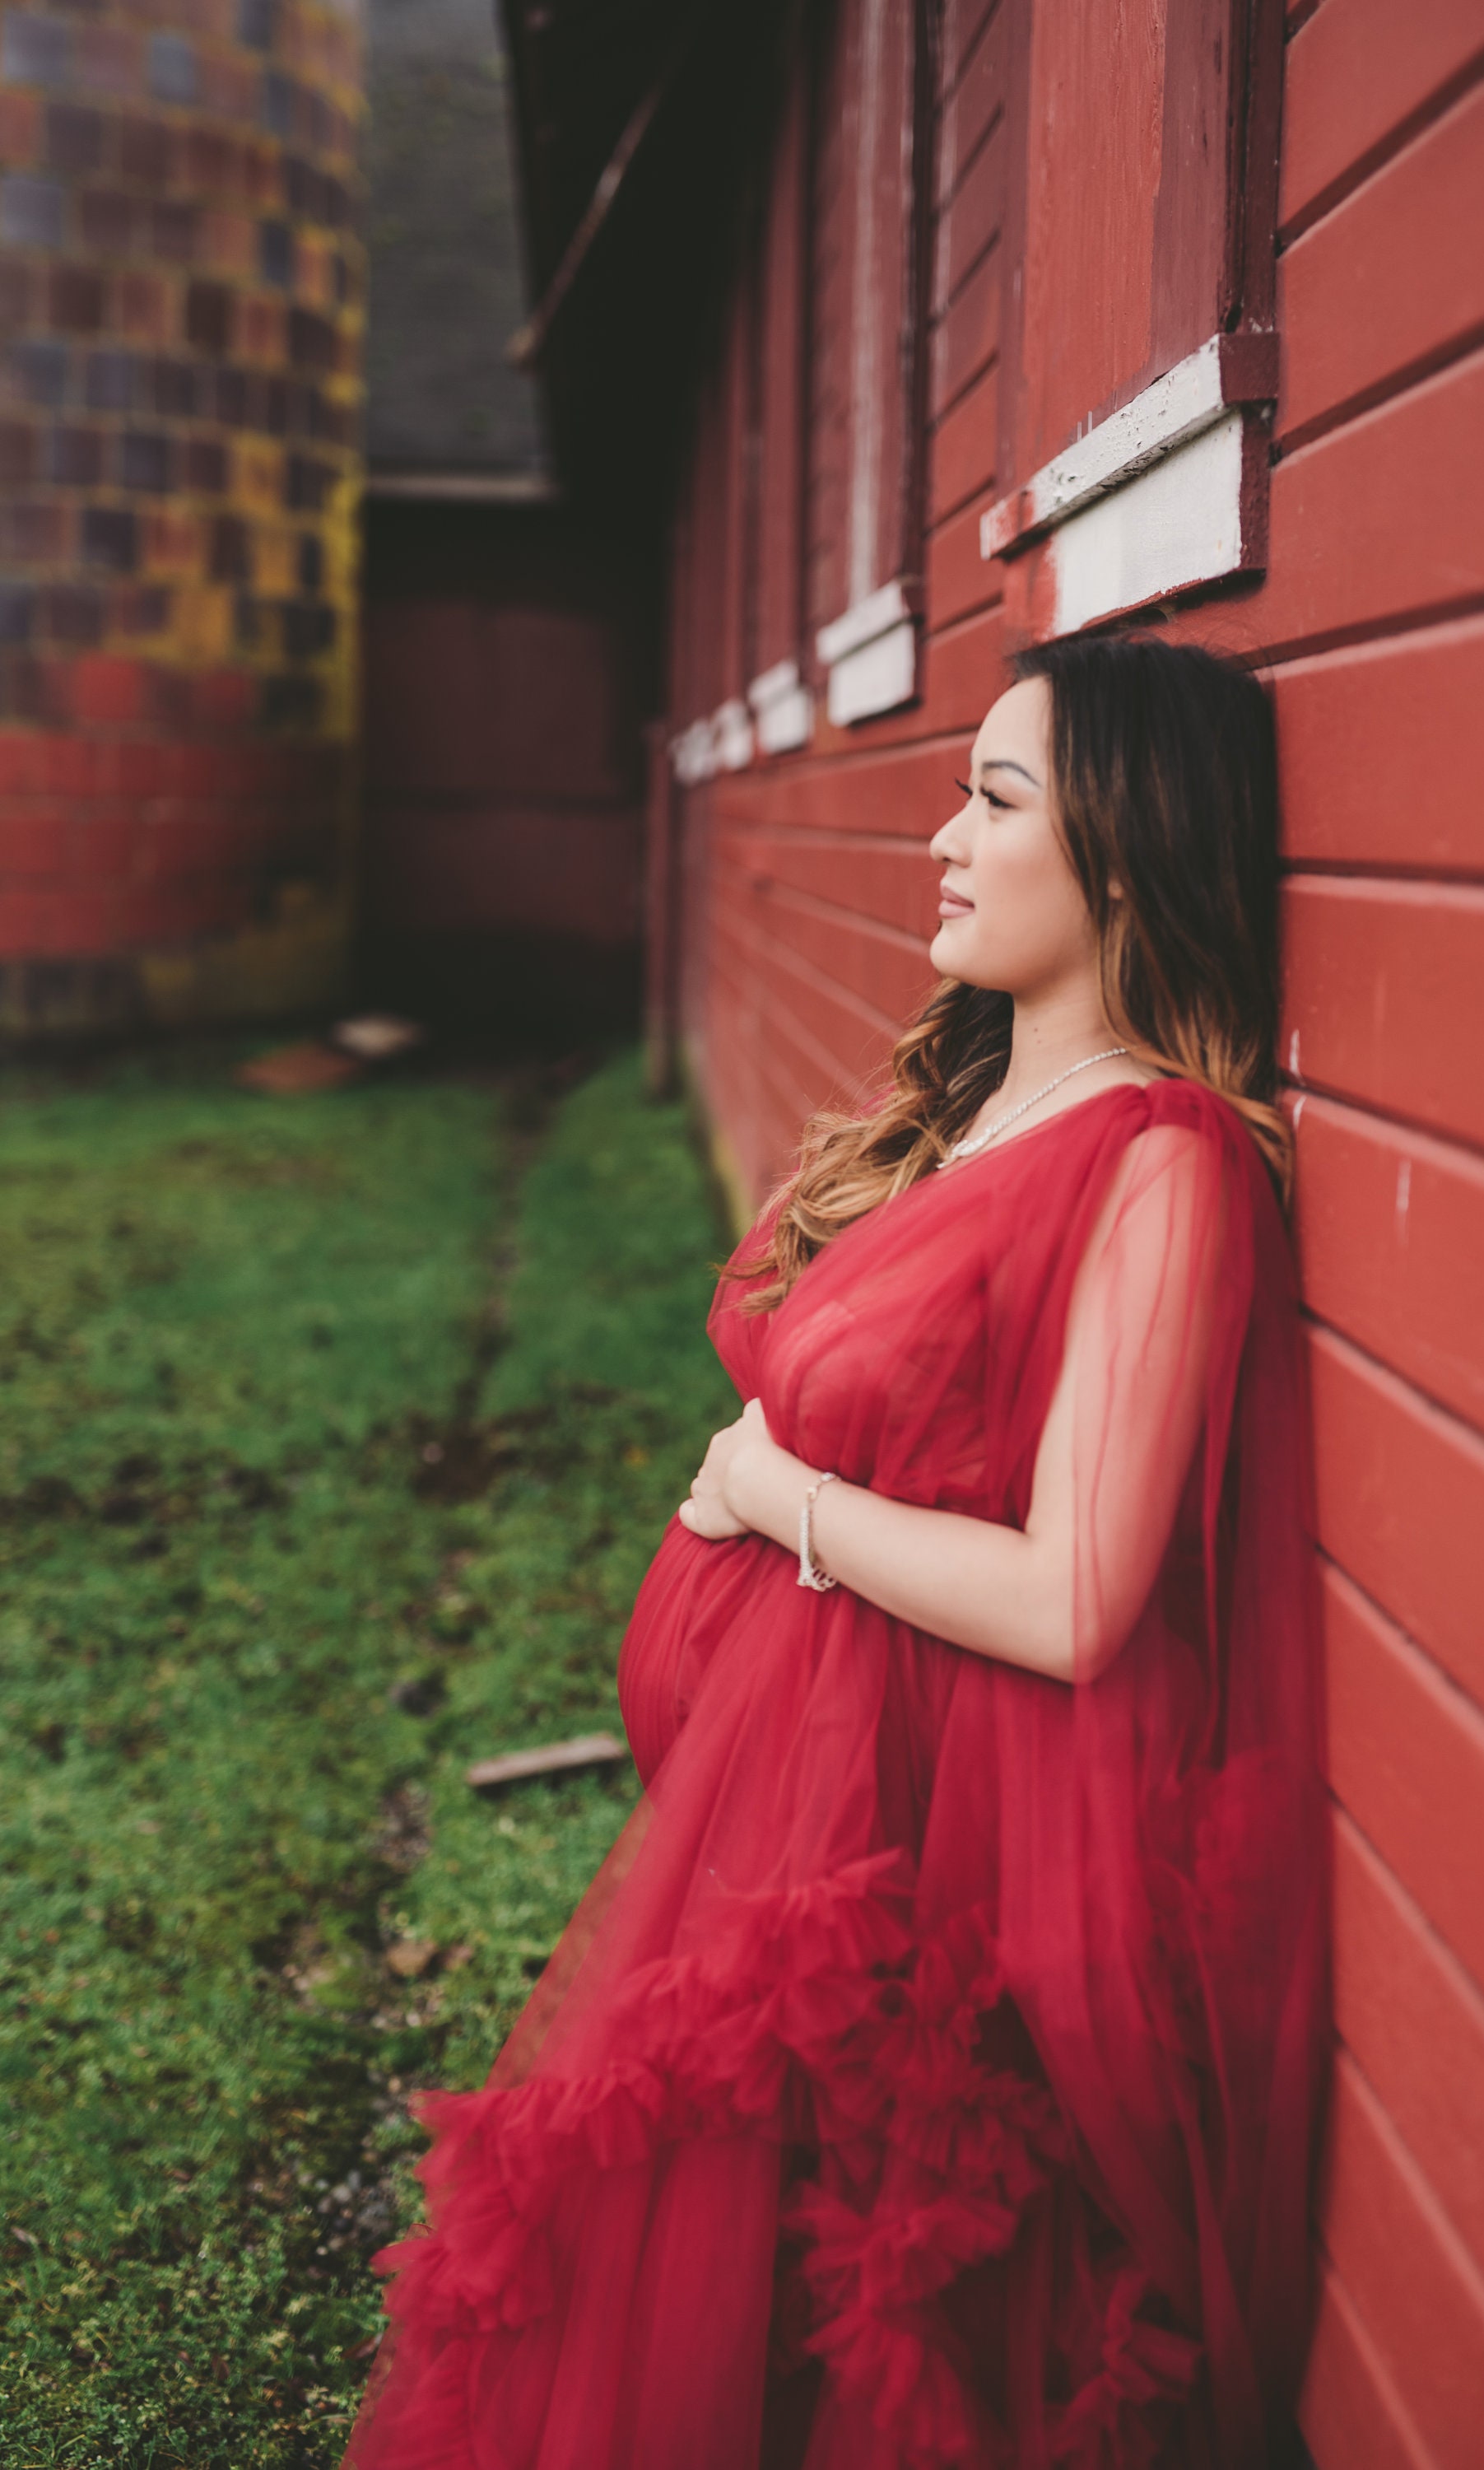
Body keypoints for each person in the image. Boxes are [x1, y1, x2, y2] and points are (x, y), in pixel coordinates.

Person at [345, 632, 1329, 2470]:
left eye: (998, 799)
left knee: (841, 2348)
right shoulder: (978, 1114)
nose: (945, 839)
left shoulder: (1165, 1162)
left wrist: (769, 1499)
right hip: (791, 1827)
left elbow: (1073, 1598)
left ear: (1122, 856)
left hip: (927, 1860)